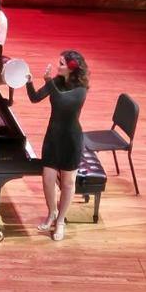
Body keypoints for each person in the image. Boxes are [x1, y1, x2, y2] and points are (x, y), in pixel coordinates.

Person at [25, 51, 89, 240]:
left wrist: (48, 81)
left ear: (71, 68)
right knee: (47, 180)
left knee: (67, 184)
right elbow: (35, 98)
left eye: (61, 63)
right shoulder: (57, 81)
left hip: (71, 140)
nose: (57, 65)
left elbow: (62, 102)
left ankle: (60, 221)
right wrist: (29, 82)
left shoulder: (81, 90)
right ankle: (52, 212)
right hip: (53, 137)